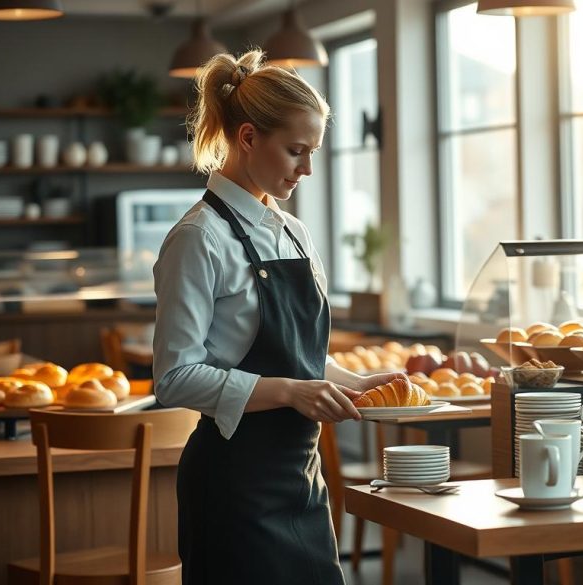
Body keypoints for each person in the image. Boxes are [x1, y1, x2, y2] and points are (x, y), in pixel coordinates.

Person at [152, 49, 405, 584]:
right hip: (232, 485)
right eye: (295, 151)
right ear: (247, 138)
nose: (307, 169)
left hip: (301, 480)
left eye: (313, 153)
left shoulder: (293, 232)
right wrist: (291, 392)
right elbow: (174, 378)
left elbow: (298, 359)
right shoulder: (198, 239)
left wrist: (356, 385)